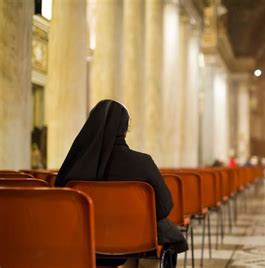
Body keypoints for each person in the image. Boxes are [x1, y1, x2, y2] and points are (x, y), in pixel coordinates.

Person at [55, 100, 187, 267]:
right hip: (138, 240)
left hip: (87, 240)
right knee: (159, 234)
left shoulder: (75, 166)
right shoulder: (143, 163)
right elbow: (164, 207)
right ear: (124, 129)